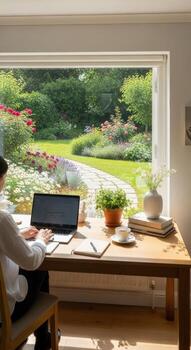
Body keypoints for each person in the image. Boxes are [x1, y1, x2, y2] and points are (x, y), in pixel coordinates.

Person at [0, 156, 58, 350]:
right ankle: (42, 338)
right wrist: (41, 240)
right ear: (1, 179)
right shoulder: (2, 219)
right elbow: (31, 260)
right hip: (4, 313)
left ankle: (44, 338)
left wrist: (16, 236)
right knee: (40, 267)